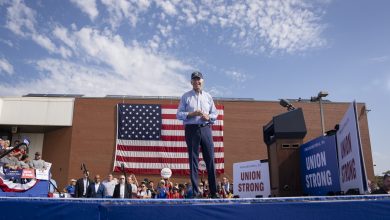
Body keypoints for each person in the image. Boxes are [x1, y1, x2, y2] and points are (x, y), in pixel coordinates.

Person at [176, 71, 219, 198]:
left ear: (202, 81)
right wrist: (191, 114)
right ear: (191, 82)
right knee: (193, 160)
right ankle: (195, 192)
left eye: (199, 79)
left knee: (210, 160)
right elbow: (178, 114)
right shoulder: (186, 97)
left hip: (206, 129)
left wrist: (208, 117)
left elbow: (215, 114)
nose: (197, 82)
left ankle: (214, 192)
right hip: (191, 129)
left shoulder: (208, 97)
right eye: (194, 80)